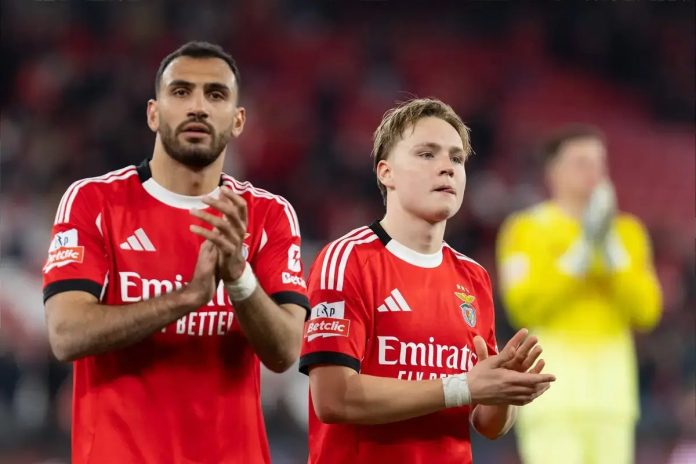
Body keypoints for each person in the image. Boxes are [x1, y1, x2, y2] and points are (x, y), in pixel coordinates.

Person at [42, 41, 309, 464]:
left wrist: (239, 278)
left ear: (238, 120)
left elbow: (285, 351)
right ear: (153, 113)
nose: (198, 107)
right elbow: (66, 334)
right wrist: (188, 297)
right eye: (181, 92)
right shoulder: (94, 202)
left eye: (215, 95)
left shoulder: (267, 214)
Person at [298, 98, 556, 464]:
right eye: (427, 154)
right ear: (386, 173)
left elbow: (486, 423)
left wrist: (501, 391)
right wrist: (462, 386)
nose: (447, 167)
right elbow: (334, 398)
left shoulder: (473, 277)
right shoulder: (347, 261)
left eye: (457, 158)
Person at [496, 124, 662, 464]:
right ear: (553, 171)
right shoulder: (527, 229)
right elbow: (523, 307)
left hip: (612, 399)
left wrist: (611, 250)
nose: (594, 173)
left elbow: (647, 311)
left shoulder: (627, 233)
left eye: (599, 163)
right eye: (581, 163)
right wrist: (581, 254)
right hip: (551, 393)